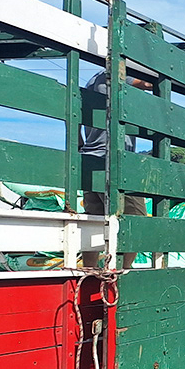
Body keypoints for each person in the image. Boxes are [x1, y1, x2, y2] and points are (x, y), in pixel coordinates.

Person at [80, 71, 153, 269]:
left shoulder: (92, 81)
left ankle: (90, 272)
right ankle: (120, 273)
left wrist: (81, 148)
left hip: (90, 158)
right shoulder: (114, 74)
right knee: (136, 224)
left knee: (94, 222)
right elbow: (146, 84)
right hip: (112, 161)